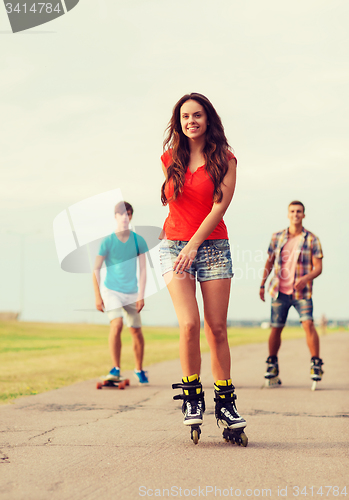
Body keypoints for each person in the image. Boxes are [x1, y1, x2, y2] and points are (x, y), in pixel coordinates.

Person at [159, 93, 247, 441]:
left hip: (211, 248)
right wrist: (183, 245)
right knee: (189, 324)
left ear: (208, 119)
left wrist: (194, 245)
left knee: (217, 328)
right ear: (178, 122)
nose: (191, 121)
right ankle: (192, 397)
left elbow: (218, 208)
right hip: (173, 247)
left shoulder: (226, 159)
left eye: (197, 115)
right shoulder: (169, 158)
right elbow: (175, 206)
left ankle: (225, 402)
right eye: (185, 116)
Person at [259, 201, 324, 386]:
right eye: (293, 211)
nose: (296, 214)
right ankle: (272, 363)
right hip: (279, 290)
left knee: (308, 323)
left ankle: (316, 363)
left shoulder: (312, 239)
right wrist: (262, 284)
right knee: (276, 327)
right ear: (288, 214)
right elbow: (269, 262)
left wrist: (305, 278)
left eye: (299, 212)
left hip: (302, 292)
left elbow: (318, 267)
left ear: (304, 215)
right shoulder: (277, 237)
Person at [93, 201, 149, 384]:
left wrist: (141, 295)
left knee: (136, 332)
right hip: (112, 291)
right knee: (116, 325)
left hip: (132, 292)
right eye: (122, 214)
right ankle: (116, 368)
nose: (125, 217)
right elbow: (96, 269)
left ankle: (139, 369)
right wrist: (97, 296)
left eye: (128, 214)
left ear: (131, 216)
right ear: (116, 217)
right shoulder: (108, 241)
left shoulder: (138, 240)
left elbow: (143, 269)